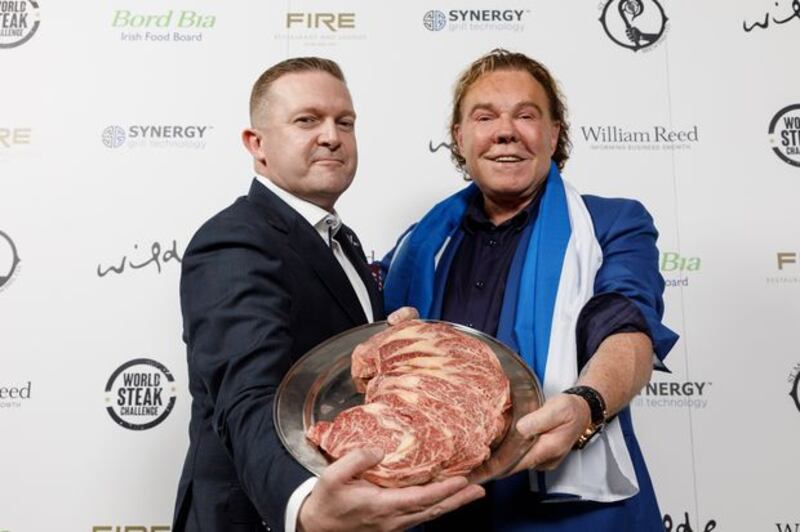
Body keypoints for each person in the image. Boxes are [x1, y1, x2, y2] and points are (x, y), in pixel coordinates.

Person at [172, 57, 484, 532]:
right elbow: (247, 394)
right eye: (306, 120)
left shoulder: (340, 239)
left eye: (345, 122)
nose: (332, 136)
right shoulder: (235, 240)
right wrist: (304, 503)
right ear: (257, 145)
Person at [381, 49, 679, 531]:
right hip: (439, 507)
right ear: (460, 138)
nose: (505, 131)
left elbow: (626, 325)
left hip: (573, 514)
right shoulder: (420, 245)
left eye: (525, 115)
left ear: (554, 134)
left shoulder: (611, 224)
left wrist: (587, 404)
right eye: (484, 117)